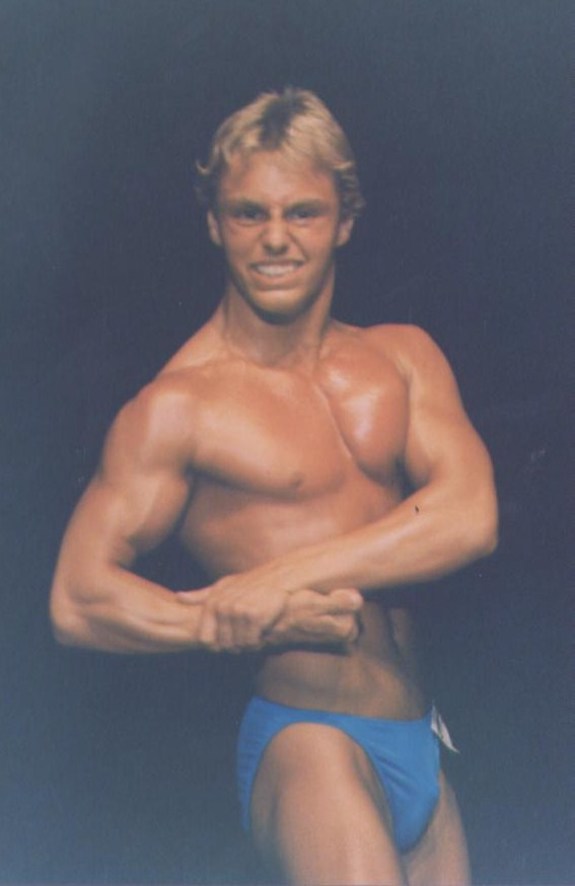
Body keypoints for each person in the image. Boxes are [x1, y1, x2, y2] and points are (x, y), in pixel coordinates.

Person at [50, 88, 498, 885]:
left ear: (344, 222)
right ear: (214, 224)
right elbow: (77, 600)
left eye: (304, 213)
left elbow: (469, 516)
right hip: (311, 742)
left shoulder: (402, 358)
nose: (276, 238)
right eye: (249, 213)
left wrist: (278, 579)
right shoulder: (178, 406)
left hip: (421, 737)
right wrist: (215, 623)